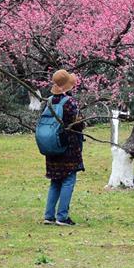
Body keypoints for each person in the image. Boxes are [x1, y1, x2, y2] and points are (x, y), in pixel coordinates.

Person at [43, 69, 84, 226]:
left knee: (55, 181)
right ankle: (62, 216)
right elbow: (78, 124)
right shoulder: (70, 102)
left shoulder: (49, 101)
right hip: (68, 147)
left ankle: (49, 215)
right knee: (68, 179)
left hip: (52, 146)